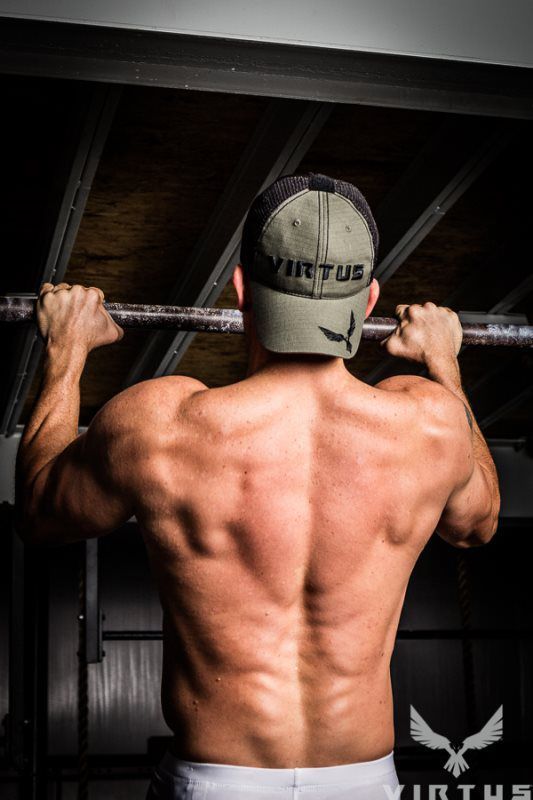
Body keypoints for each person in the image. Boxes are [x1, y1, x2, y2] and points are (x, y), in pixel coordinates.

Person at [15, 173, 500, 800]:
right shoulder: (428, 425)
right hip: (361, 782)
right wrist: (446, 364)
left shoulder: (162, 425)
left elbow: (36, 511)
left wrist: (67, 350)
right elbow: (478, 522)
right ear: (370, 300)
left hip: (216, 782)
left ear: (239, 287)